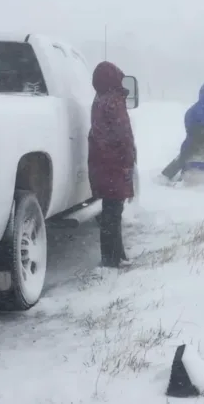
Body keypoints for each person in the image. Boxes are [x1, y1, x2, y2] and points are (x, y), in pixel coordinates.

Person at [88, 61, 136, 268]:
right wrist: (128, 160)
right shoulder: (114, 101)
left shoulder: (99, 100)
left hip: (102, 163)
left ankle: (116, 255)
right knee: (113, 214)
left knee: (110, 211)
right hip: (115, 164)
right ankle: (111, 259)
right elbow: (122, 134)